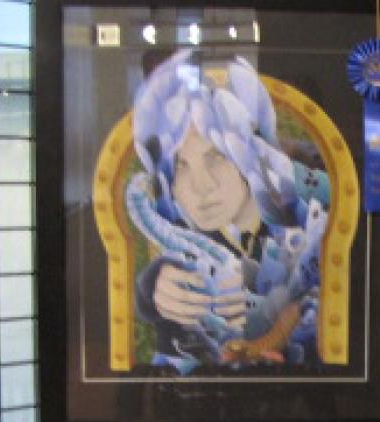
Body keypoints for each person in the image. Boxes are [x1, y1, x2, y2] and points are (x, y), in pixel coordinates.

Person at [125, 50, 329, 373]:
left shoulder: (307, 206)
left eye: (217, 157)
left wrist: (275, 333)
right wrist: (153, 289)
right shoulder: (181, 226)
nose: (200, 186)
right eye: (181, 166)